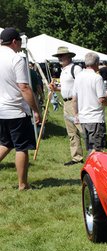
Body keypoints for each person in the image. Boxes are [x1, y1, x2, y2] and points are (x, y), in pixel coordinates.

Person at [0, 27, 40, 190]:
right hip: (16, 109)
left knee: (5, 143)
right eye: (20, 42)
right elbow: (24, 87)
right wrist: (35, 109)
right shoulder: (16, 59)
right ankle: (23, 184)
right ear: (15, 41)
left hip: (1, 109)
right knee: (22, 147)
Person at [48, 46, 84, 166]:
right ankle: (77, 157)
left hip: (75, 102)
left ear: (69, 57)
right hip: (66, 103)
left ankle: (95, 154)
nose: (60, 58)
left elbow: (81, 86)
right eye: (58, 56)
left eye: (62, 56)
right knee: (72, 132)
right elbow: (66, 88)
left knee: (83, 130)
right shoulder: (63, 71)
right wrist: (56, 89)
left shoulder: (76, 68)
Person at [72, 52, 107, 153]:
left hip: (83, 118)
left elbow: (74, 99)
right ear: (96, 63)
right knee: (97, 150)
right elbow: (101, 99)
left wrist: (76, 115)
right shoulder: (97, 78)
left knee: (90, 148)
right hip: (95, 118)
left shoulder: (78, 77)